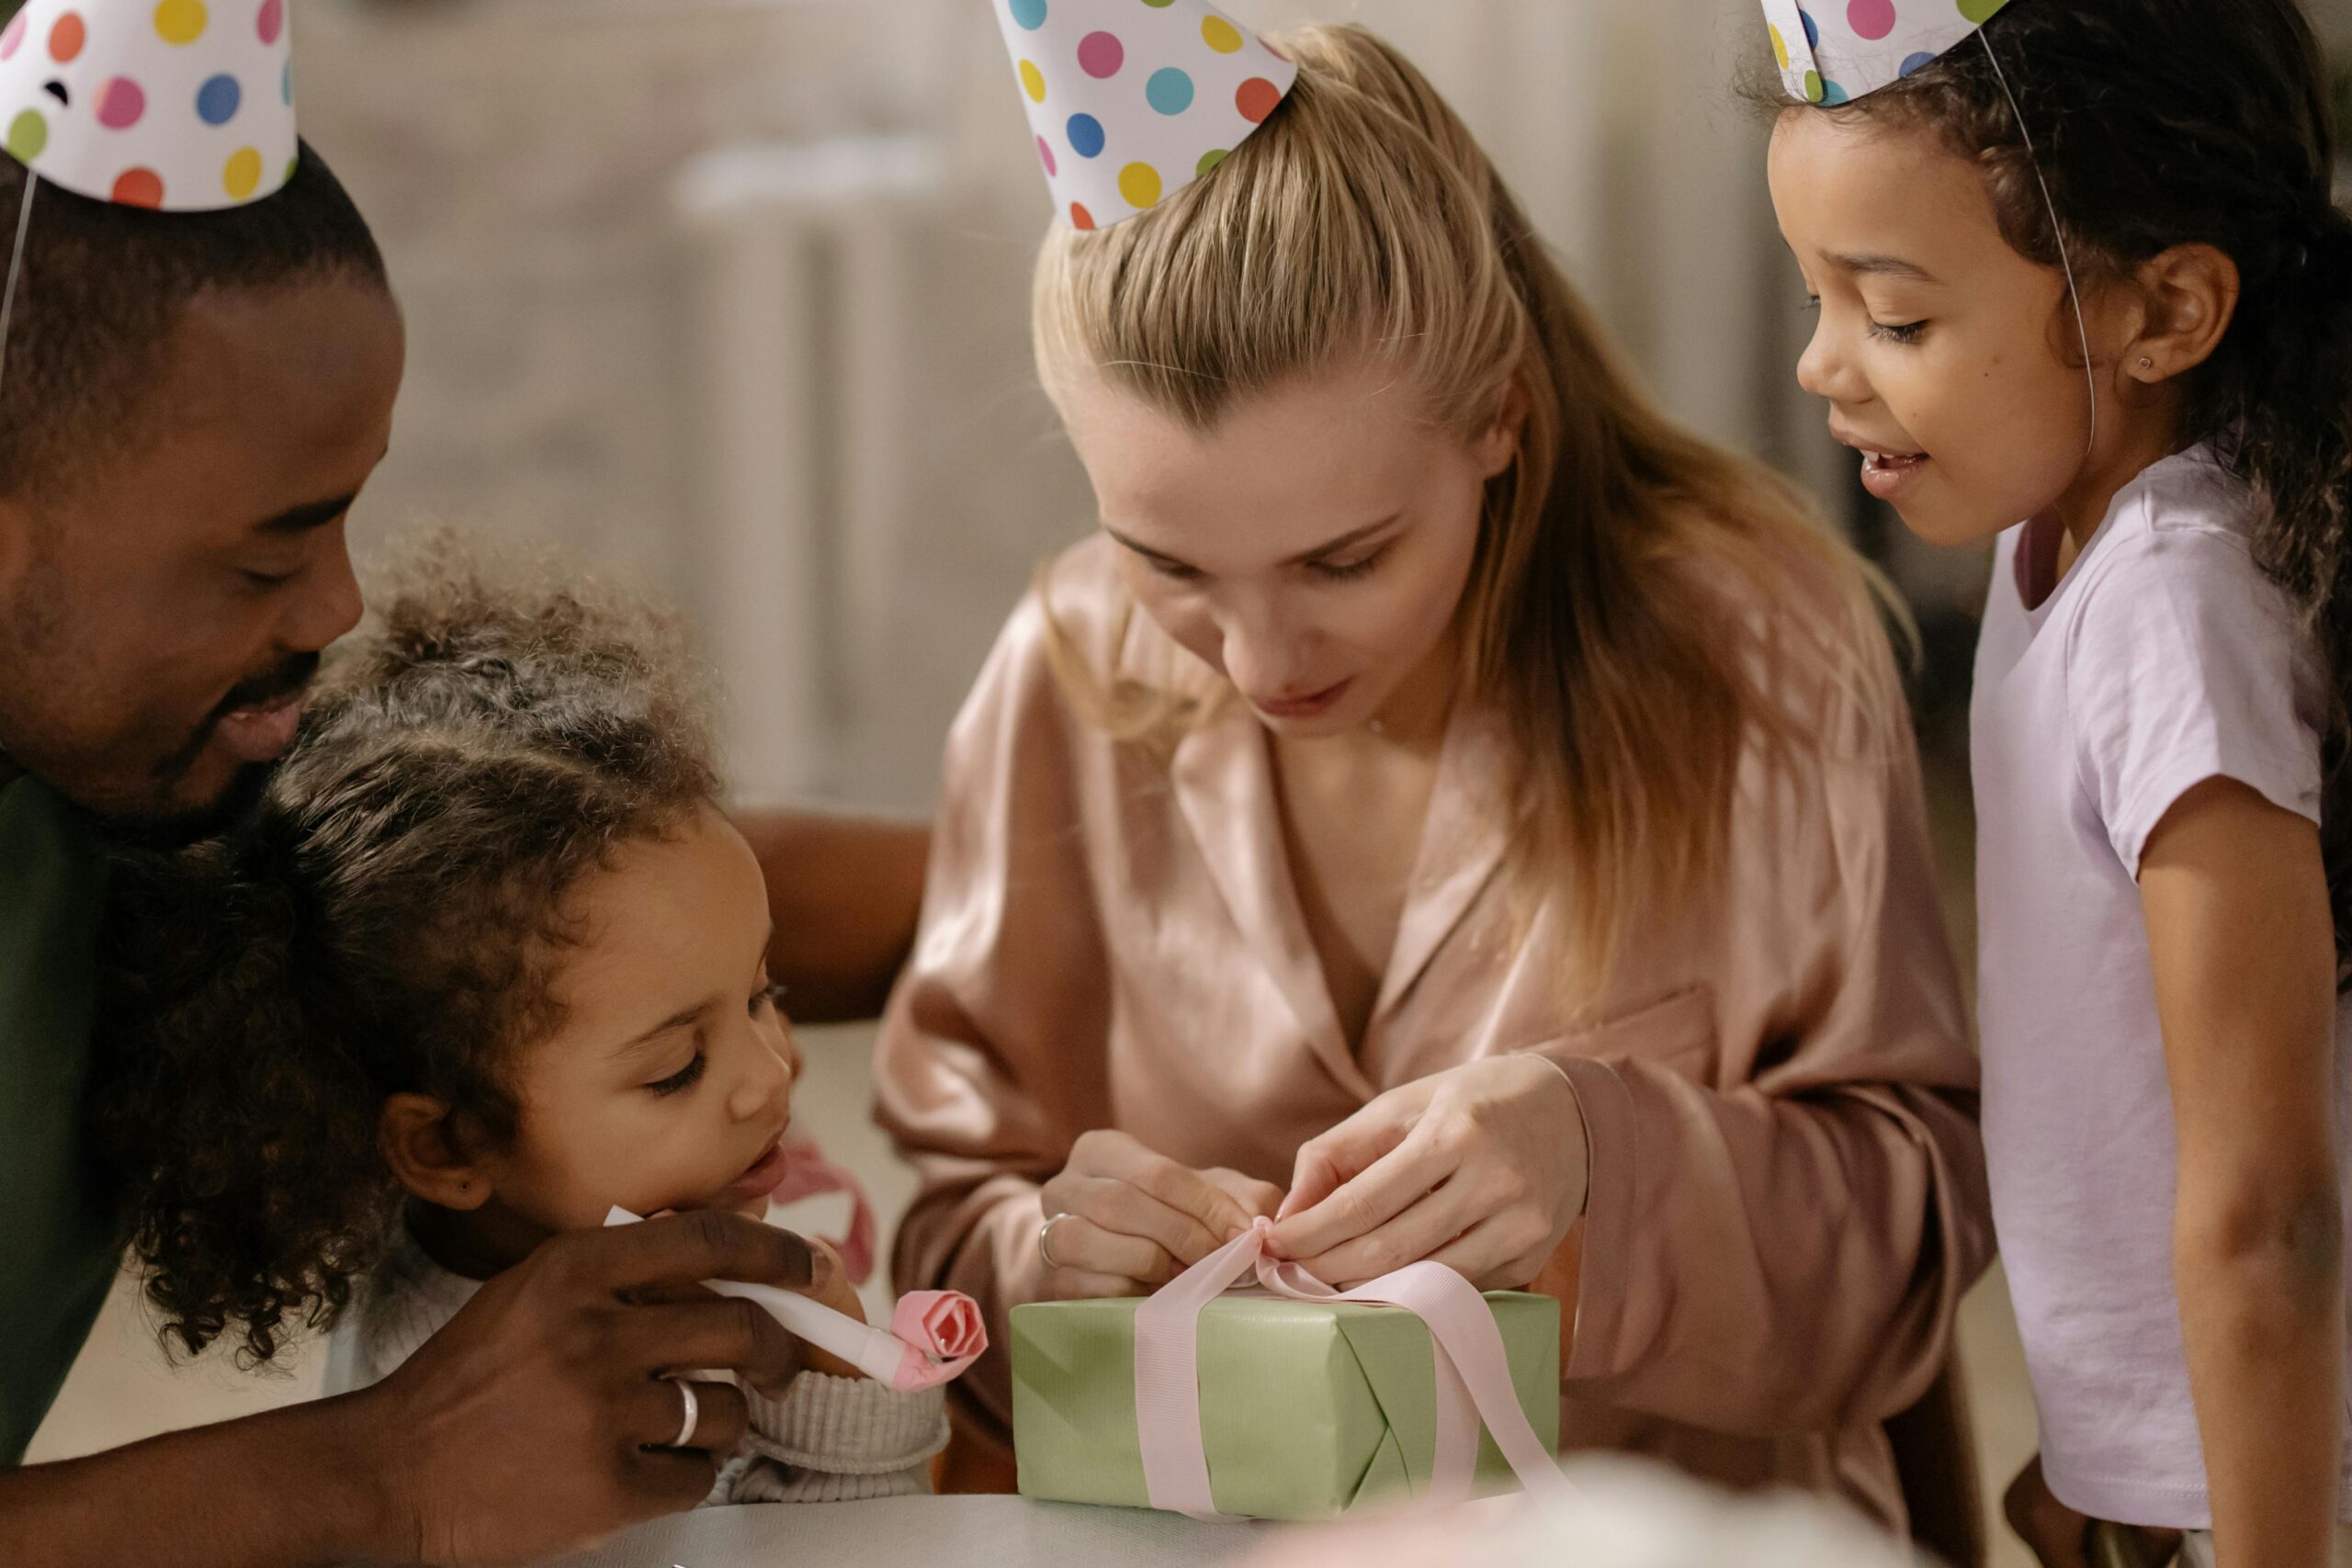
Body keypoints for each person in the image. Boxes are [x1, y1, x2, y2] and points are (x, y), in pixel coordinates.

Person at [877, 19, 1990, 1529]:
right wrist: (1036, 1261)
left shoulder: (1754, 659)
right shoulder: (1063, 664)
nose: (1261, 658)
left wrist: (1610, 1156)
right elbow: (948, 1242)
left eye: (1346, 558)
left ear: (1498, 421)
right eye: (1170, 562)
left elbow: (1906, 1260)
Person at [0, 139, 922, 1566]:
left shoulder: (161, 741)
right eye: (261, 562)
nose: (339, 603)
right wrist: (387, 1470)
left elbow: (584, 904)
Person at [1764, 2, 2352, 1564]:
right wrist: (2100, 1456)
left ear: (2164, 310)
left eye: (1893, 316)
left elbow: (2267, 1202)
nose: (1820, 360)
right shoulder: (2058, 543)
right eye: (1816, 292)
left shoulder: (2168, 607)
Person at [95, 536, 950, 1506]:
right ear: (452, 1143)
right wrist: (841, 1376)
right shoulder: (536, 1413)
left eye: (763, 992)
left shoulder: (618, 1211)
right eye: (676, 1068)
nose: (770, 1072)